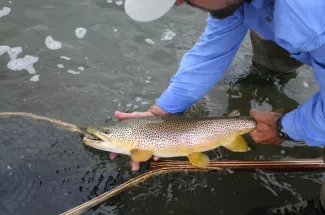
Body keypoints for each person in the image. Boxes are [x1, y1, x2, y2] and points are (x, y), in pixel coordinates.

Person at [112, 0, 325, 214]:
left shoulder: (310, 18)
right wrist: (162, 110)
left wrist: (284, 128)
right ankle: (271, 76)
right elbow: (211, 52)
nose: (177, 4)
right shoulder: (228, 4)